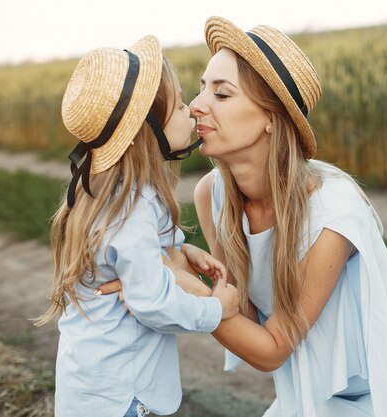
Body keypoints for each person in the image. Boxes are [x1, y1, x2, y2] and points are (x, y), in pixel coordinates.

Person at [187, 17, 387, 417]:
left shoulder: (331, 210)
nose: (196, 105)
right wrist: (167, 268)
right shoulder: (212, 195)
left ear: (271, 117)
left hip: (382, 386)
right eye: (201, 88)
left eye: (221, 94)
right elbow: (241, 318)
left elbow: (270, 350)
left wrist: (178, 287)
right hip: (311, 382)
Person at [34, 35, 239, 417]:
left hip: (91, 389)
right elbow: (152, 303)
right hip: (121, 399)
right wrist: (216, 309)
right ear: (148, 130)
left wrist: (181, 249)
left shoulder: (107, 191)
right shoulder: (133, 206)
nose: (190, 110)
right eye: (178, 105)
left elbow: (133, 250)